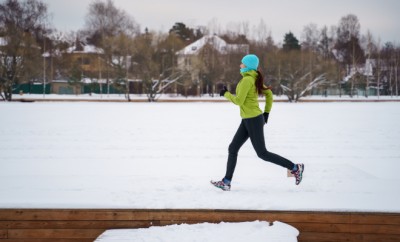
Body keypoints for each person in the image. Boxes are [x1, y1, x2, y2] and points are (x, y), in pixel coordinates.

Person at [211, 54, 304, 191]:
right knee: (233, 148)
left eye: (242, 63)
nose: (240, 65)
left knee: (262, 153)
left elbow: (238, 101)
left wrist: (225, 94)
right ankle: (226, 181)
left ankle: (295, 168)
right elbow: (269, 94)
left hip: (253, 120)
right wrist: (266, 113)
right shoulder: (253, 78)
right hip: (248, 119)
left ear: (247, 66)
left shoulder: (248, 80)